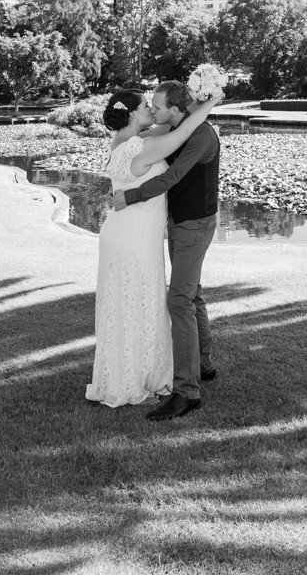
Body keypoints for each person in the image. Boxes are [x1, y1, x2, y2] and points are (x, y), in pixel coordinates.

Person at [85, 87, 220, 409]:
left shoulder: (122, 141)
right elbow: (183, 129)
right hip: (135, 239)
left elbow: (178, 125)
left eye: (156, 105)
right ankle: (140, 377)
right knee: (143, 304)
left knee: (125, 306)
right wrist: (210, 102)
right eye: (147, 106)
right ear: (133, 114)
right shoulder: (143, 147)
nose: (152, 109)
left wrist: (198, 102)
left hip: (123, 233)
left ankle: (128, 373)